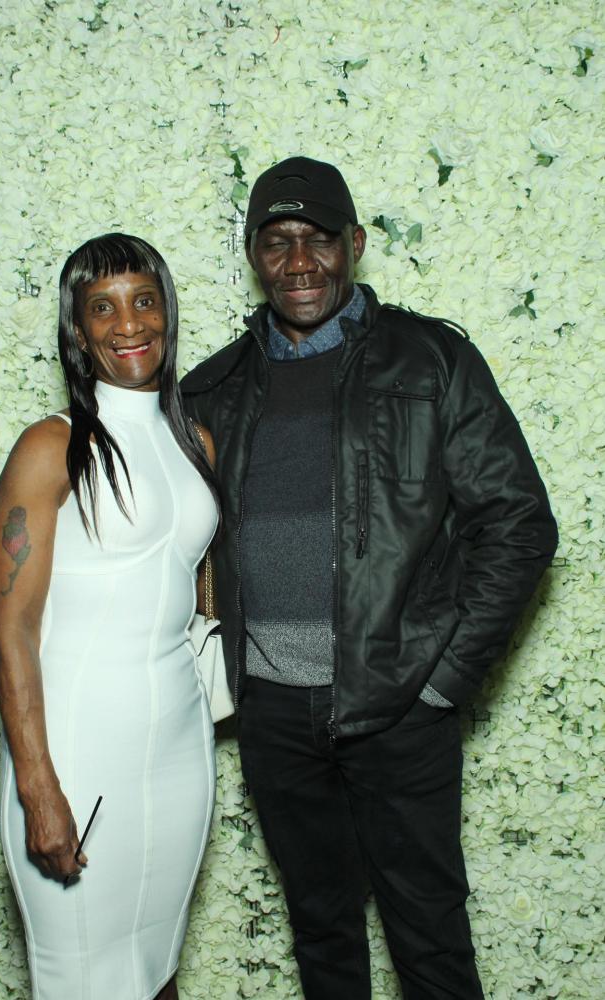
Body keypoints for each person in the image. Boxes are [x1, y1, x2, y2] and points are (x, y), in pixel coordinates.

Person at [181, 157, 558, 999]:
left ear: (353, 243)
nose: (298, 262)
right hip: (273, 713)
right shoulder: (213, 388)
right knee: (321, 935)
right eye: (276, 242)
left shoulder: (431, 362)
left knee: (429, 939)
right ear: (253, 255)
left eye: (317, 238)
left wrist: (443, 682)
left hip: (398, 706)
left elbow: (518, 523)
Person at [0, 233, 219, 1000]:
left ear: (166, 312)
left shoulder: (195, 442)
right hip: (79, 752)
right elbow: (9, 623)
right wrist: (37, 789)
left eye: (143, 301)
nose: (129, 324)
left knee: (156, 971)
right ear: (78, 331)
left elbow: (190, 577)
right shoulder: (51, 446)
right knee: (83, 979)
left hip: (180, 753)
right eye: (103, 309)